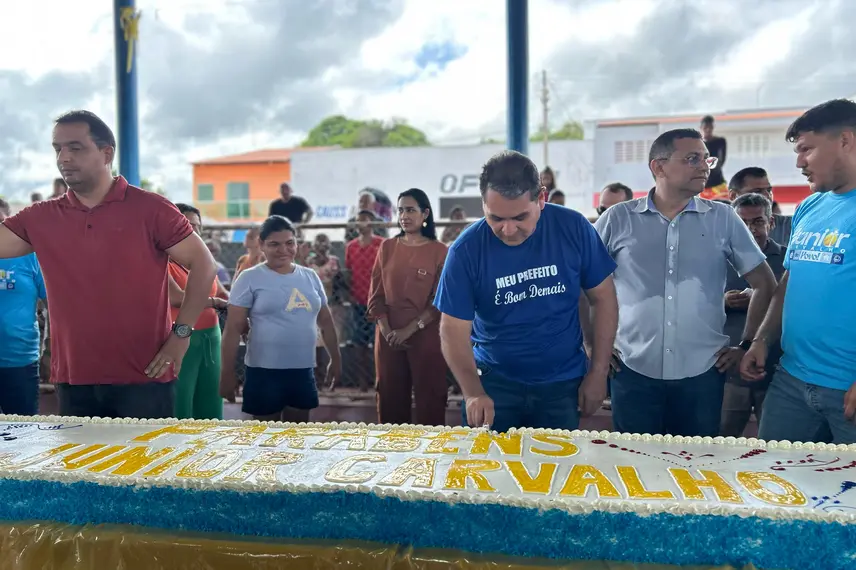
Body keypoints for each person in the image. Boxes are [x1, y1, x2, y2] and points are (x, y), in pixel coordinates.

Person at [0, 110, 216, 419]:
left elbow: (203, 264)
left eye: (75, 147)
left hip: (145, 376)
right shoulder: (40, 217)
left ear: (106, 153)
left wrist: (181, 334)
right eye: (58, 148)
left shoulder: (151, 208)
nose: (63, 157)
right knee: (78, 453)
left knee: (146, 454)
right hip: (74, 379)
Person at [595, 128, 776, 437]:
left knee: (697, 461)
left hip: (703, 374)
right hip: (631, 368)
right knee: (633, 458)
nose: (704, 167)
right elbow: (582, 285)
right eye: (693, 159)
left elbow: (765, 283)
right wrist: (592, 344)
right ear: (659, 167)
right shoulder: (618, 219)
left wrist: (746, 344)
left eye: (707, 159)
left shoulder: (723, 218)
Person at [434, 151, 618, 432]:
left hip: (562, 382)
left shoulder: (573, 228)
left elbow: (603, 298)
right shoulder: (465, 250)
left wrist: (598, 371)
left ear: (541, 198)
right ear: (483, 203)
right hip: (493, 382)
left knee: (557, 459)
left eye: (520, 217)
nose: (508, 230)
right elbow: (453, 329)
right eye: (495, 218)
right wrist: (473, 392)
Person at [741, 99, 856, 444]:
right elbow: (790, 281)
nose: (799, 162)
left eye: (807, 149)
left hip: (847, 390)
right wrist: (762, 339)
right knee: (770, 472)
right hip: (791, 380)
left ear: (845, 140)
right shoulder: (810, 207)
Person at [220, 215, 341, 422]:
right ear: (261, 245)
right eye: (274, 244)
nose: (283, 250)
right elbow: (233, 328)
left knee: (297, 434)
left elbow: (326, 322)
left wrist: (336, 359)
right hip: (264, 372)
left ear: (297, 243)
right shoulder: (249, 278)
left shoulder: (310, 276)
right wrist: (227, 373)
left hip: (303, 369)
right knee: (266, 436)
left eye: (289, 243)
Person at [368, 189, 449, 425]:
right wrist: (387, 332)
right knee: (389, 399)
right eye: (401, 210)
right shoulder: (387, 247)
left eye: (411, 210)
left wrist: (410, 329)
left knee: (431, 399)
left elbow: (439, 300)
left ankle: (432, 448)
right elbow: (376, 296)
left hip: (426, 334)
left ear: (425, 214)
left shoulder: (440, 251)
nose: (404, 215)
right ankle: (393, 448)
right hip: (388, 335)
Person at [720, 193, 786, 436]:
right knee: (718, 443)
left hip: (776, 369)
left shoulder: (789, 260)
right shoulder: (720, 259)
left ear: (771, 222)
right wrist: (723, 301)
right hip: (729, 369)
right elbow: (696, 302)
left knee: (776, 443)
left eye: (758, 221)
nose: (751, 229)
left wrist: (765, 296)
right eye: (743, 223)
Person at [168, 203, 229, 420]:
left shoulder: (204, 262)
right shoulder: (162, 262)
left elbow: (222, 292)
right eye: (187, 225)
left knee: (212, 400)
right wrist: (214, 302)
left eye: (197, 226)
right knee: (181, 402)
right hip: (180, 338)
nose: (193, 231)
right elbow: (176, 297)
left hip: (211, 337)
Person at [0, 199, 46, 415]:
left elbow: (55, 306)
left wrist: (54, 353)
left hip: (19, 362)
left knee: (24, 430)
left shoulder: (30, 257)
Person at [344, 210, 384, 391]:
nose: (361, 223)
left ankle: (380, 380)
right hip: (359, 300)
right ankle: (362, 382)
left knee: (379, 343)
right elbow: (348, 272)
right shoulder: (351, 246)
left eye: (365, 220)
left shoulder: (381, 244)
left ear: (372, 222)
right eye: (358, 220)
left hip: (378, 300)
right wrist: (350, 294)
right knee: (360, 343)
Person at [727, 167, 793, 246]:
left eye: (769, 190)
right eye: (757, 191)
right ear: (733, 195)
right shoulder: (719, 227)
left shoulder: (792, 226)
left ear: (771, 223)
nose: (767, 196)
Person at [700, 115, 728, 200]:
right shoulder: (698, 144)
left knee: (724, 203)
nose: (708, 129)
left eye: (710, 127)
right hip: (703, 184)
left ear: (713, 127)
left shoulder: (720, 141)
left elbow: (722, 160)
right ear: (701, 127)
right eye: (705, 127)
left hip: (718, 181)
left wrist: (715, 168)